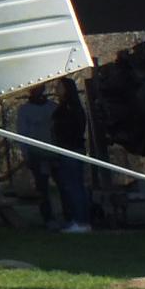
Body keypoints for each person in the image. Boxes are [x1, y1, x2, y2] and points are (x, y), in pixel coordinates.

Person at [48, 77, 92, 233]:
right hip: (68, 150)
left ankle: (81, 221)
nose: (56, 89)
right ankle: (77, 219)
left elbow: (70, 130)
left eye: (59, 86)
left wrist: (62, 144)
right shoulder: (66, 108)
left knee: (74, 187)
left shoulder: (70, 110)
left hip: (70, 150)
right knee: (72, 186)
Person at [15, 84, 58, 225]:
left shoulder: (52, 107)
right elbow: (23, 134)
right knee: (42, 188)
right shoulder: (25, 111)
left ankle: (69, 215)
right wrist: (26, 153)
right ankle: (48, 217)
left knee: (63, 185)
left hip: (55, 153)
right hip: (37, 154)